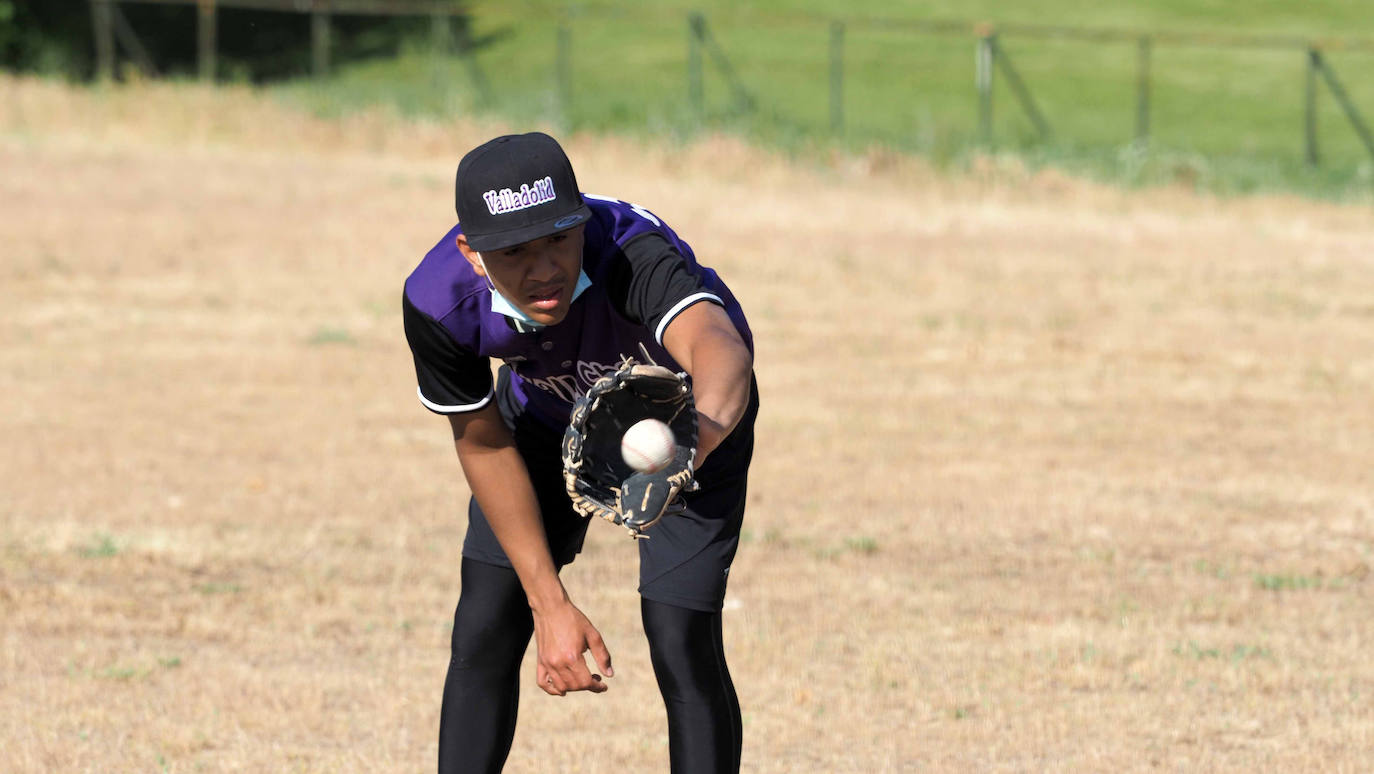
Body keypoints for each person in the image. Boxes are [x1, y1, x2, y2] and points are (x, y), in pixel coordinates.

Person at [402, 132, 759, 774]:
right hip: (542, 416)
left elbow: (719, 347)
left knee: (679, 639)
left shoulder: (627, 252)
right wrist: (550, 601)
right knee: (488, 619)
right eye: (514, 251)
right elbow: (481, 442)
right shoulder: (438, 302)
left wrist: (686, 447)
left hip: (689, 412)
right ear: (473, 253)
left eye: (559, 240)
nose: (545, 268)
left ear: (581, 224)